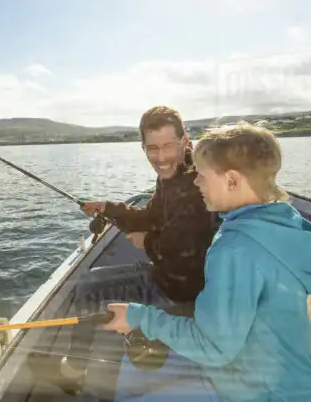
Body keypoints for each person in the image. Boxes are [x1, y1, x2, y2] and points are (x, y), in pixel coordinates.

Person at [102, 121, 311, 402]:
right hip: (286, 381)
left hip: (259, 392)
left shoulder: (235, 248)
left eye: (203, 176)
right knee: (131, 368)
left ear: (232, 180)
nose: (196, 183)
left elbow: (213, 348)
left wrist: (139, 316)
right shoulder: (280, 224)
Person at [28, 106, 219, 396]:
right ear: (142, 147)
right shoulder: (171, 175)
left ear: (185, 141)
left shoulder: (198, 182)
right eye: (152, 148)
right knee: (87, 285)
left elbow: (190, 250)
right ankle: (75, 370)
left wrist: (147, 243)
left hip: (185, 294)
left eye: (169, 145)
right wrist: (109, 208)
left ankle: (94, 381)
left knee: (110, 323)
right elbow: (150, 216)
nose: (161, 157)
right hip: (164, 276)